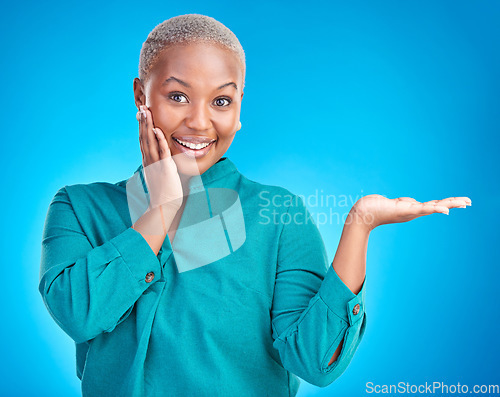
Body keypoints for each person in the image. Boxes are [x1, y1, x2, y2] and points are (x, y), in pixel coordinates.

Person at [38, 13, 471, 397]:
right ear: (140, 96)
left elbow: (316, 362)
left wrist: (359, 226)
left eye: (221, 101)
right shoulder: (80, 206)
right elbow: (79, 314)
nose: (199, 121)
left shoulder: (278, 215)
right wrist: (162, 208)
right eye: (178, 96)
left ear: (240, 106)